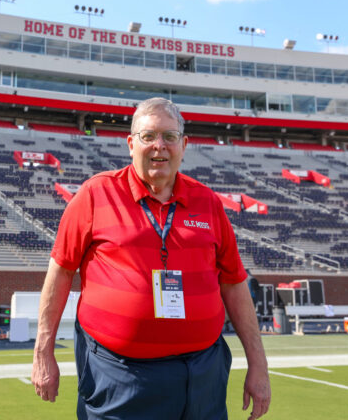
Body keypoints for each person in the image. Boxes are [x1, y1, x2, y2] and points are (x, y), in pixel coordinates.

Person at [32, 98, 271, 419]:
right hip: (120, 374)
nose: (160, 146)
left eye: (170, 136)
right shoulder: (95, 194)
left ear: (184, 145)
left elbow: (234, 283)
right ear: (131, 144)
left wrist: (258, 364)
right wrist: (43, 353)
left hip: (202, 373)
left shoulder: (208, 202)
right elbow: (59, 273)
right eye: (148, 136)